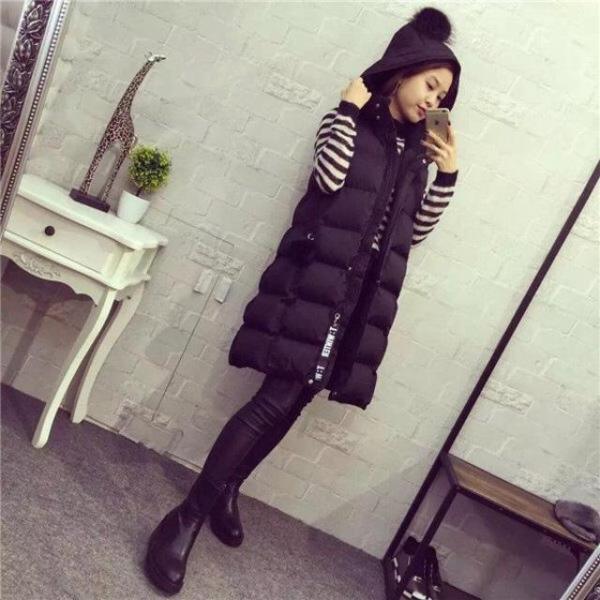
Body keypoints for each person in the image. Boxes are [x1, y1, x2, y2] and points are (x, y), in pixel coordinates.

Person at [144, 6, 462, 595]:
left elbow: (410, 235)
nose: (433, 100)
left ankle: (230, 488)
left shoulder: (418, 157)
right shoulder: (347, 124)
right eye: (429, 85)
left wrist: (446, 176)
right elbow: (330, 178)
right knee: (273, 400)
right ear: (402, 70)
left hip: (357, 306)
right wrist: (347, 109)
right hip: (315, 287)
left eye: (443, 95)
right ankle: (185, 517)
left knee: (293, 402)